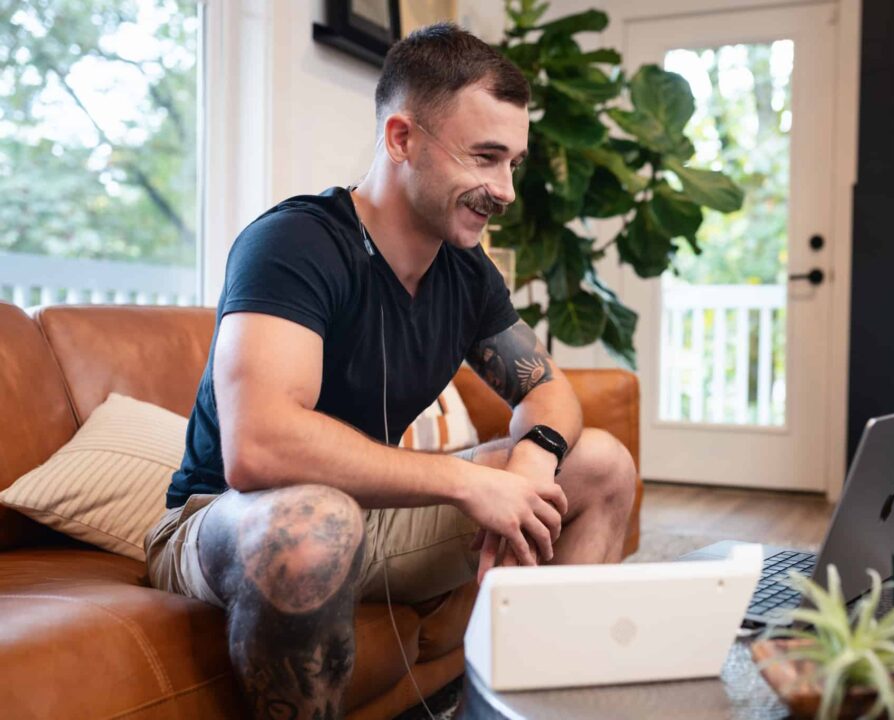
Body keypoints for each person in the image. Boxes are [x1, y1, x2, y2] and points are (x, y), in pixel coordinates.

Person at [142, 22, 637, 720]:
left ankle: (529, 709)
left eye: (514, 164)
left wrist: (533, 460)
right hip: (226, 521)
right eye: (485, 157)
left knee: (602, 465)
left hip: (372, 517)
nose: (505, 190)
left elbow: (548, 389)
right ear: (402, 138)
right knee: (317, 521)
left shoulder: (465, 272)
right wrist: (467, 482)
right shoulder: (295, 243)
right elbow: (260, 448)